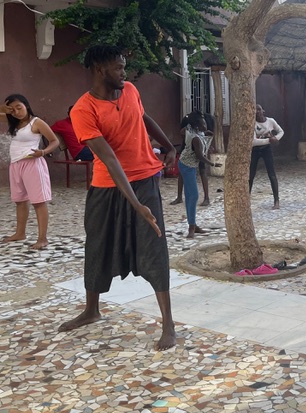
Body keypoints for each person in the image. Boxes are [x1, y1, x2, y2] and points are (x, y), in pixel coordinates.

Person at [57, 45, 177, 351]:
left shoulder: (131, 91)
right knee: (97, 246)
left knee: (154, 248)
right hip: (107, 187)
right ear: (100, 70)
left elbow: (144, 117)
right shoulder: (83, 110)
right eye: (119, 68)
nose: (125, 73)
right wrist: (135, 204)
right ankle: (91, 310)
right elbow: (109, 159)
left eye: (124, 66)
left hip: (145, 180)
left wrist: (169, 146)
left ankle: (168, 323)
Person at [1, 94, 60, 250]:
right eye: (12, 110)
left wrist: (43, 152)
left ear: (26, 105)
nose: (16, 112)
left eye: (19, 107)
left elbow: (55, 141)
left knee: (38, 202)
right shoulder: (14, 122)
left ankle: (42, 238)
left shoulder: (36, 122)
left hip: (32, 164)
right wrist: (4, 109)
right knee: (20, 201)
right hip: (16, 164)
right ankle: (20, 233)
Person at [178, 111, 216, 238]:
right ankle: (192, 227)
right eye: (203, 124)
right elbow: (200, 156)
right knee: (193, 196)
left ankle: (193, 224)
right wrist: (212, 164)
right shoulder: (195, 138)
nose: (206, 125)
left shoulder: (196, 132)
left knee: (190, 196)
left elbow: (185, 132)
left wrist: (206, 134)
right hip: (187, 166)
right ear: (197, 126)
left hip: (189, 164)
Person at [170, 112, 214, 206]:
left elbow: (205, 135)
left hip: (198, 149)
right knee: (182, 173)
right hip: (188, 149)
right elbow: (182, 132)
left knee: (202, 171)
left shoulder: (203, 123)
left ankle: (206, 198)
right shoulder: (188, 124)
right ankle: (179, 197)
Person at [250, 104, 283, 209]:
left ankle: (276, 201)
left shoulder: (270, 121)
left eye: (259, 110)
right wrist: (270, 140)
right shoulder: (252, 123)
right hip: (255, 150)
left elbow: (281, 131)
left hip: (266, 150)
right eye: (255, 111)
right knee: (250, 175)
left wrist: (276, 138)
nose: (257, 112)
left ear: (263, 111)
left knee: (272, 174)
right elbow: (253, 142)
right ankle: (246, 200)